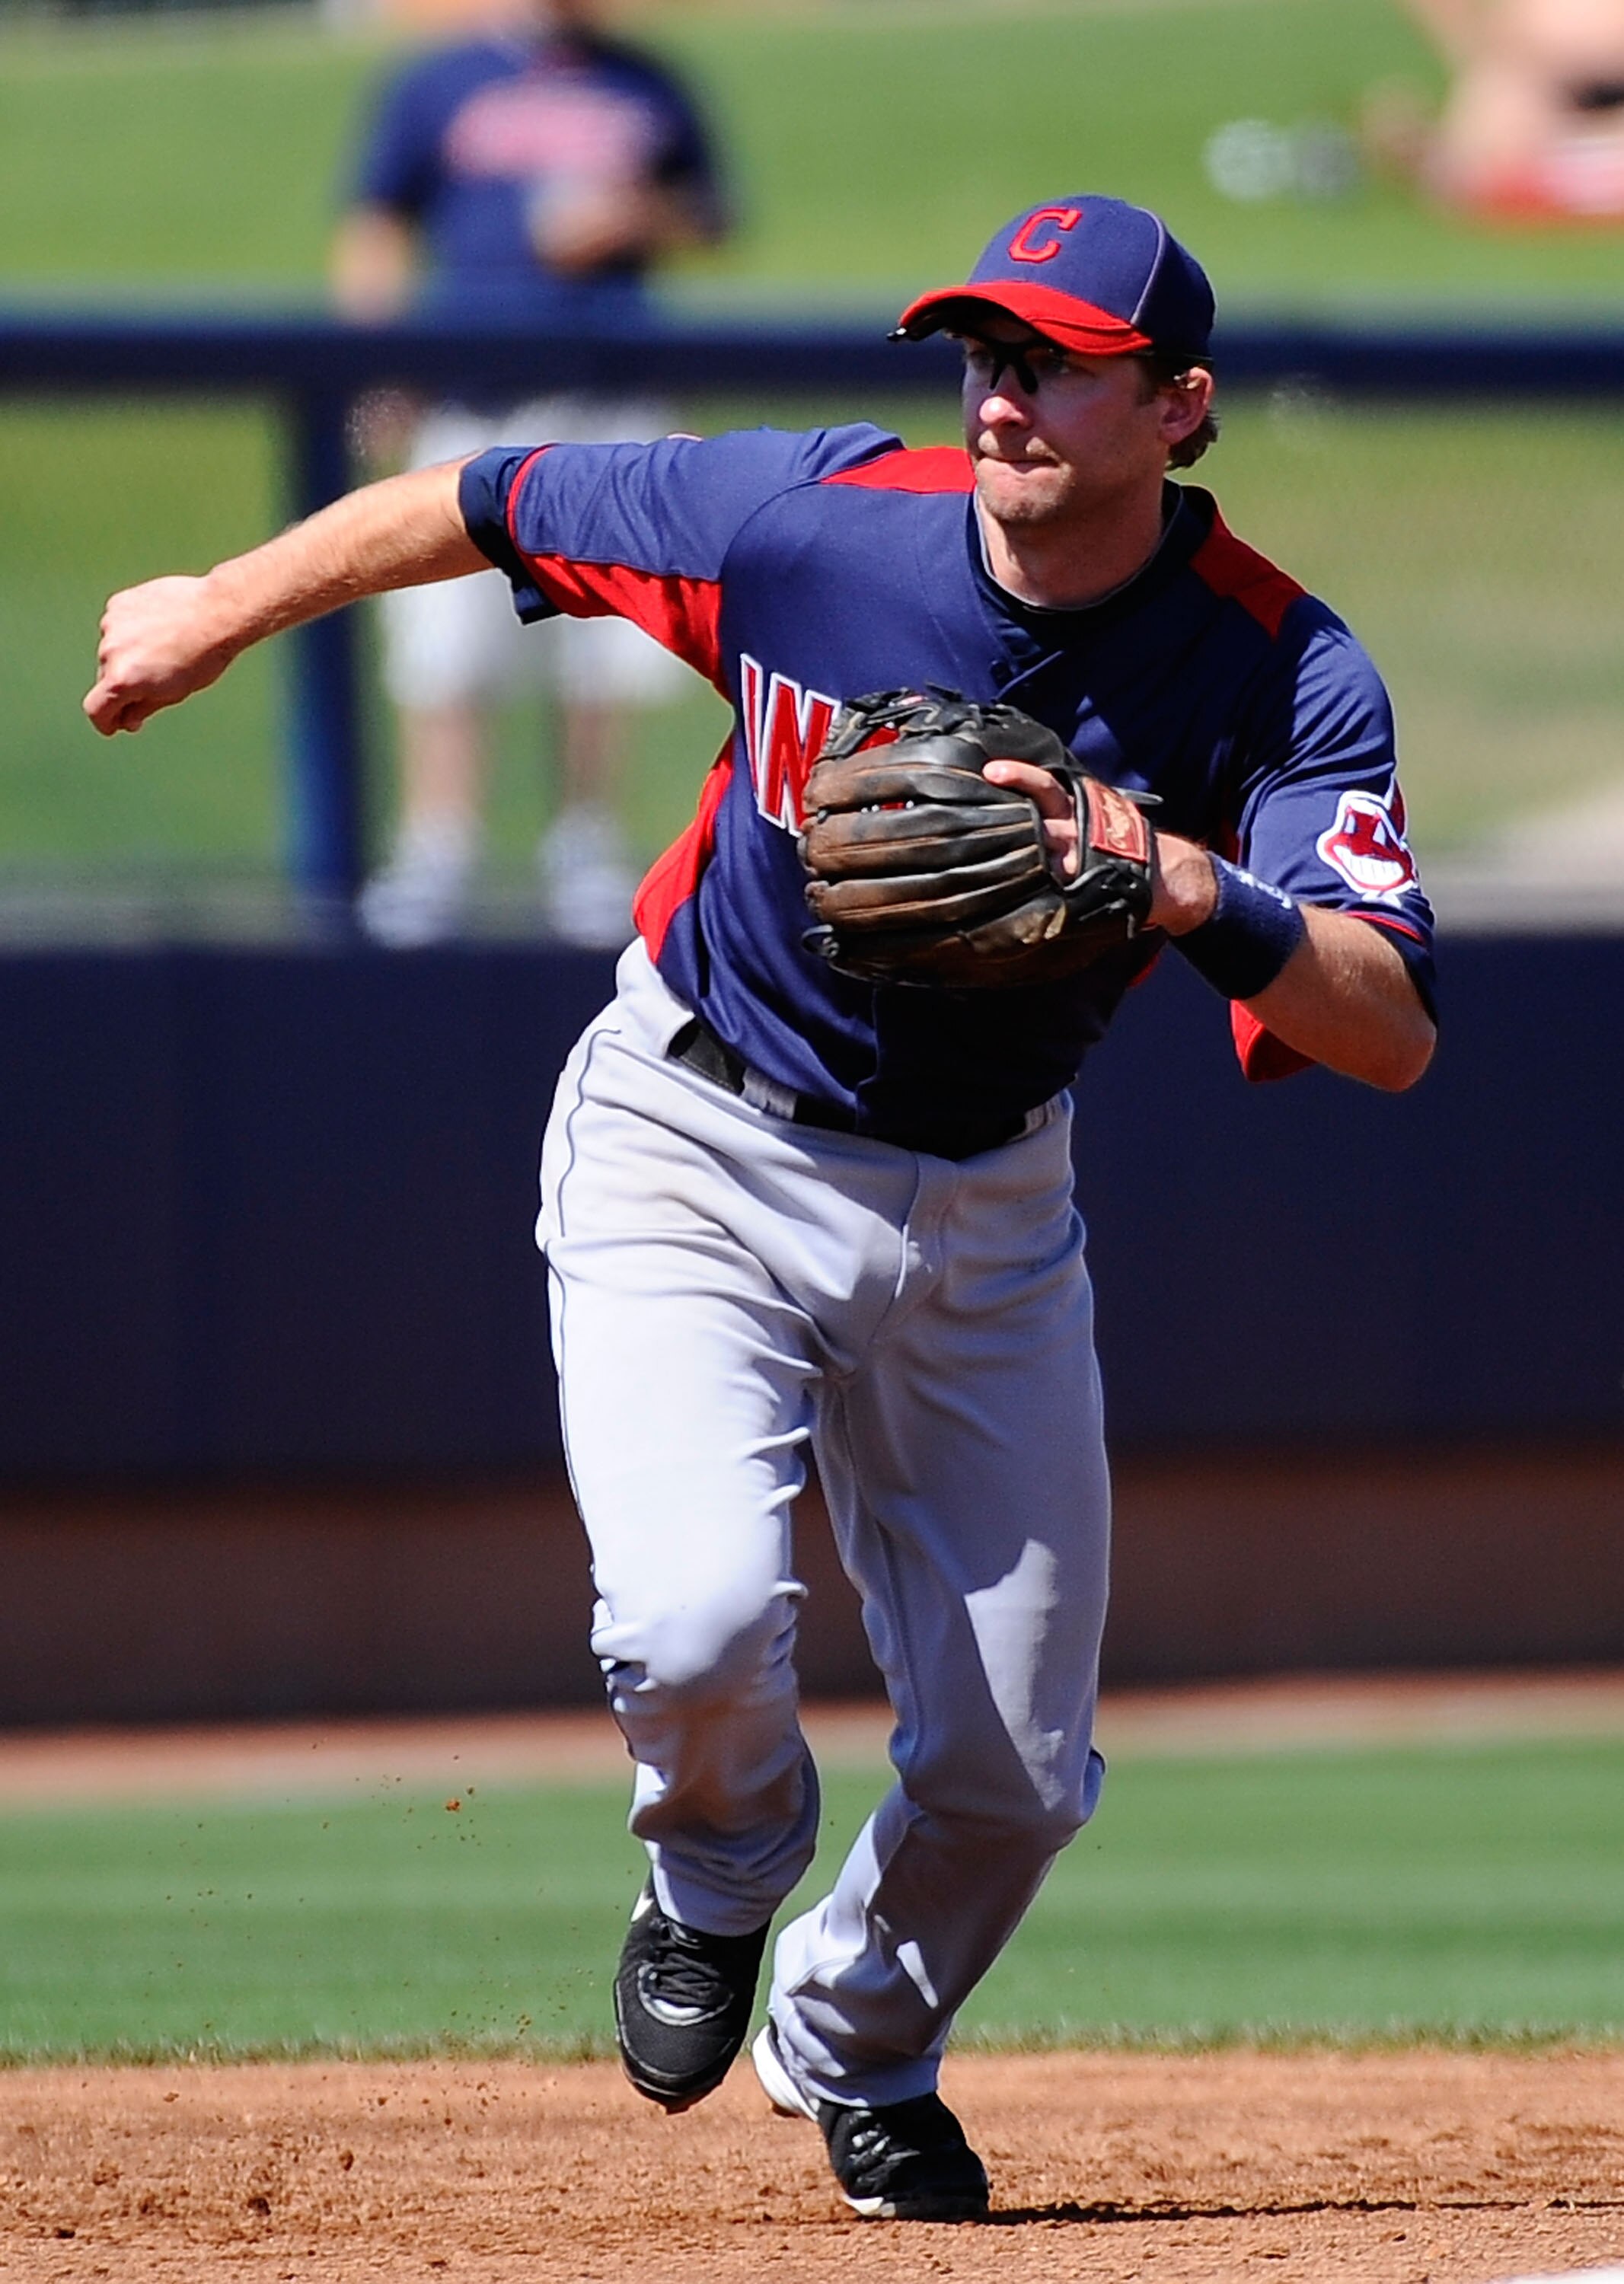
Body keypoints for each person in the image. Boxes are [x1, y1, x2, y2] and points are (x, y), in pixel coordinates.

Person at [86, 195, 1437, 2222]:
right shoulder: (817, 524)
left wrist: (1170, 879)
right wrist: (216, 599)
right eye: (982, 347)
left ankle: (856, 2039)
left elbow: (1388, 1025)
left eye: (1056, 357)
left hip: (987, 1208)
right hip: (693, 1140)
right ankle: (715, 1869)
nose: (1001, 389)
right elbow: (485, 493)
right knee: (700, 1620)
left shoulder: (1274, 668)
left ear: (1177, 406)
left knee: (1011, 1779)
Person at [331, 0, 729, 946]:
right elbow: (377, 222)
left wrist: (634, 214)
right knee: (446, 641)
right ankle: (438, 848)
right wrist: (374, 361)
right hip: (470, 396)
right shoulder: (440, 78)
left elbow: (712, 215)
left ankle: (586, 842)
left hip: (609, 393)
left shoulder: (647, 80)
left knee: (604, 641)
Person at [1367, 0, 1624, 217]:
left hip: (1567, 63)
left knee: (1470, 167)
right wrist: (1480, 61)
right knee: (1473, 165)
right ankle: (1589, 157)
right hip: (1535, 73)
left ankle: (1583, 158)